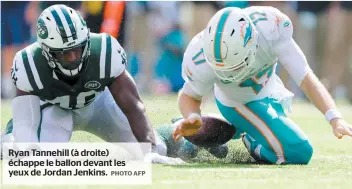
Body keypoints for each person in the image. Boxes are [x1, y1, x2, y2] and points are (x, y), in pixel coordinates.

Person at [1, 4, 181, 164]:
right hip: (54, 110)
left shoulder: (104, 49)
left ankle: (173, 132)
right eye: (63, 53)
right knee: (38, 157)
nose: (72, 58)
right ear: (46, 50)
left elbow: (133, 105)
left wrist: (150, 148)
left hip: (99, 105)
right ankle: (8, 138)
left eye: (77, 49)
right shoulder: (29, 62)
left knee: (156, 150)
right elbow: (26, 120)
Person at [173, 6, 352, 165]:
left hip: (270, 92)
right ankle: (246, 141)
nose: (229, 74)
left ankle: (225, 133)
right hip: (236, 103)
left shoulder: (270, 28)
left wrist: (335, 118)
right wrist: (192, 116)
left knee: (286, 141)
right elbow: (189, 95)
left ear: (252, 43)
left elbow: (305, 77)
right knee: (299, 151)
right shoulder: (199, 54)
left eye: (235, 66)